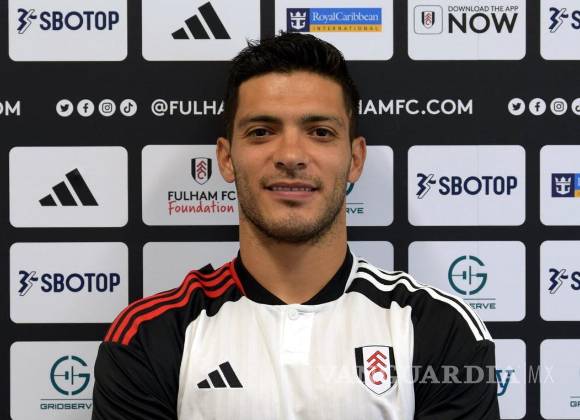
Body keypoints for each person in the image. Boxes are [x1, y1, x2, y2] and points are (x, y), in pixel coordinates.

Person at [92, 33, 499, 419]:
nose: (290, 155)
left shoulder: (437, 328)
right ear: (227, 159)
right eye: (262, 132)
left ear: (355, 159)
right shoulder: (151, 334)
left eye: (320, 132)